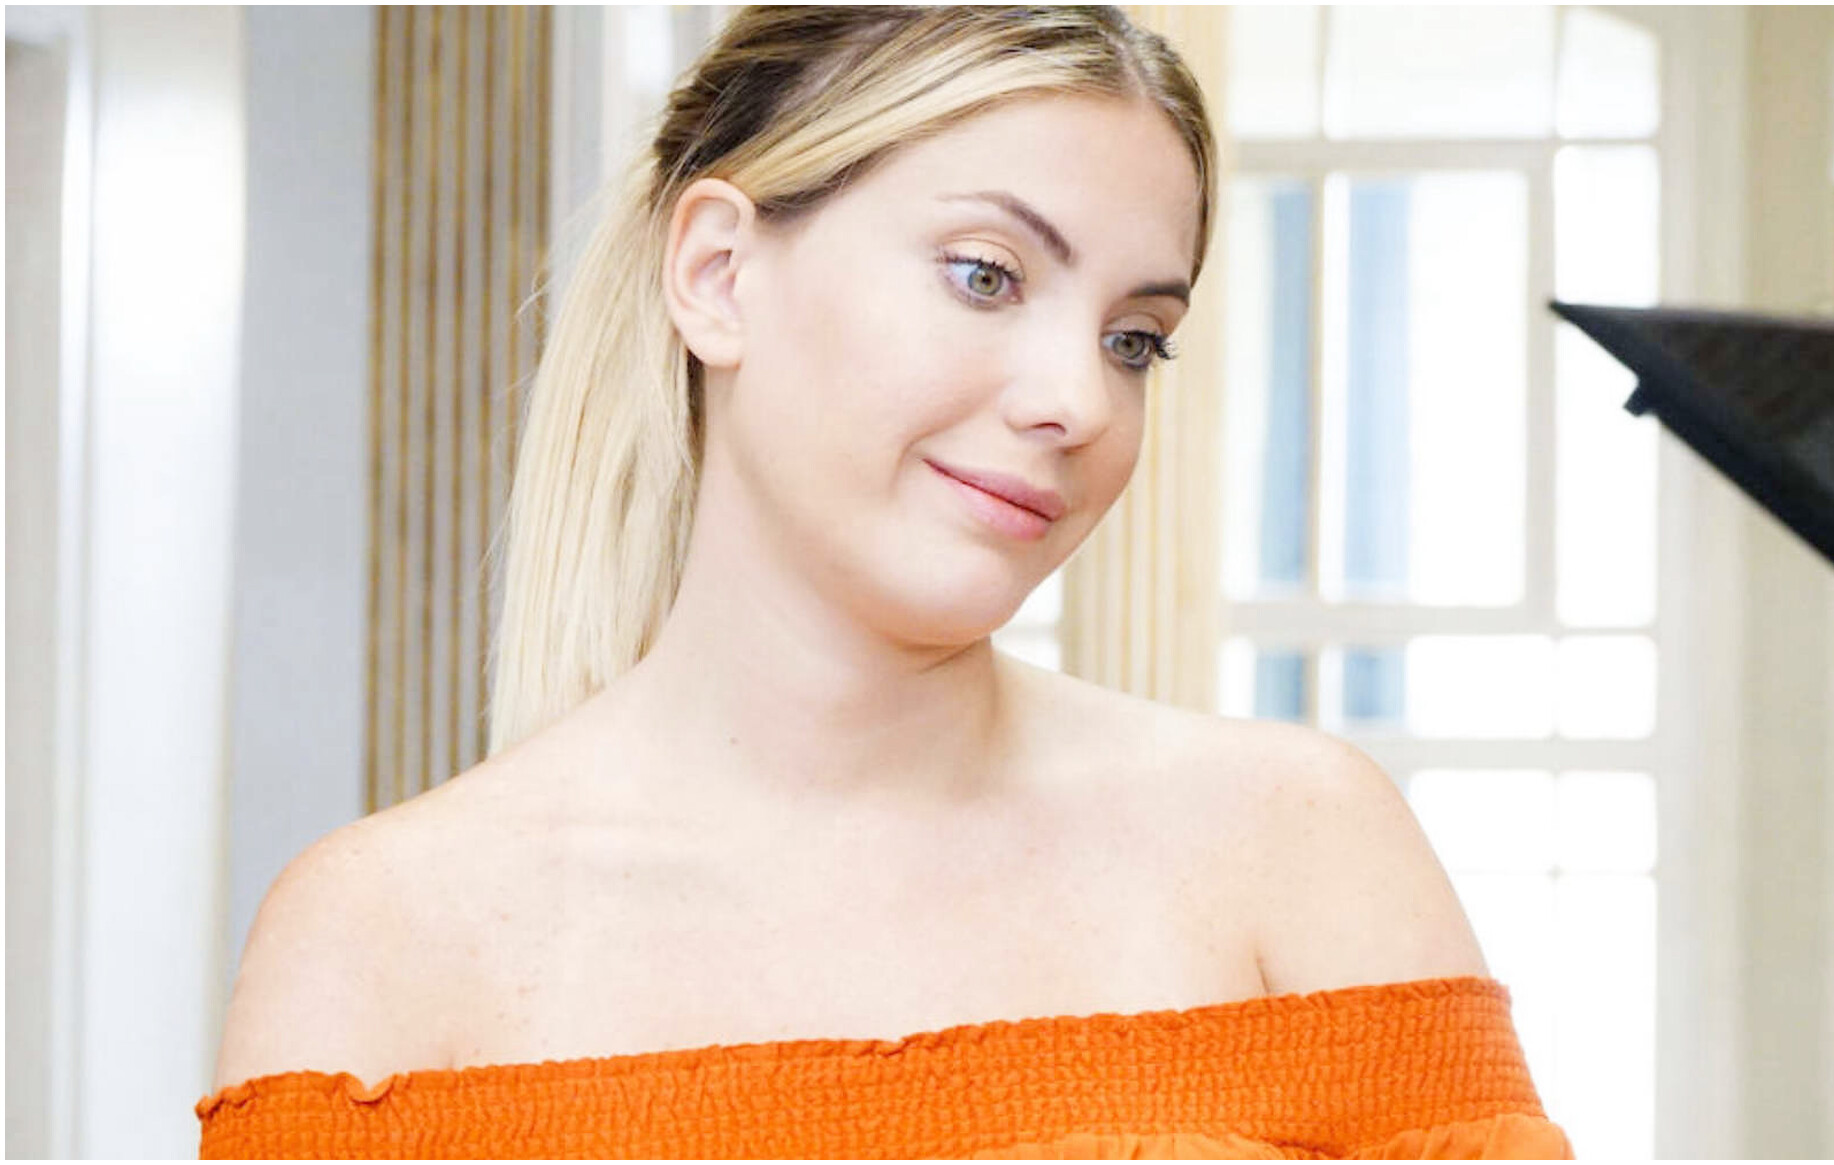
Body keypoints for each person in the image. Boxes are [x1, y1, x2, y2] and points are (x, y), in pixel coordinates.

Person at [197, 7, 1571, 1157]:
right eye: (986, 276)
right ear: (717, 274)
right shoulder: (381, 937)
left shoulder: (1295, 843)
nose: (1078, 399)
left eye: (1134, 339)